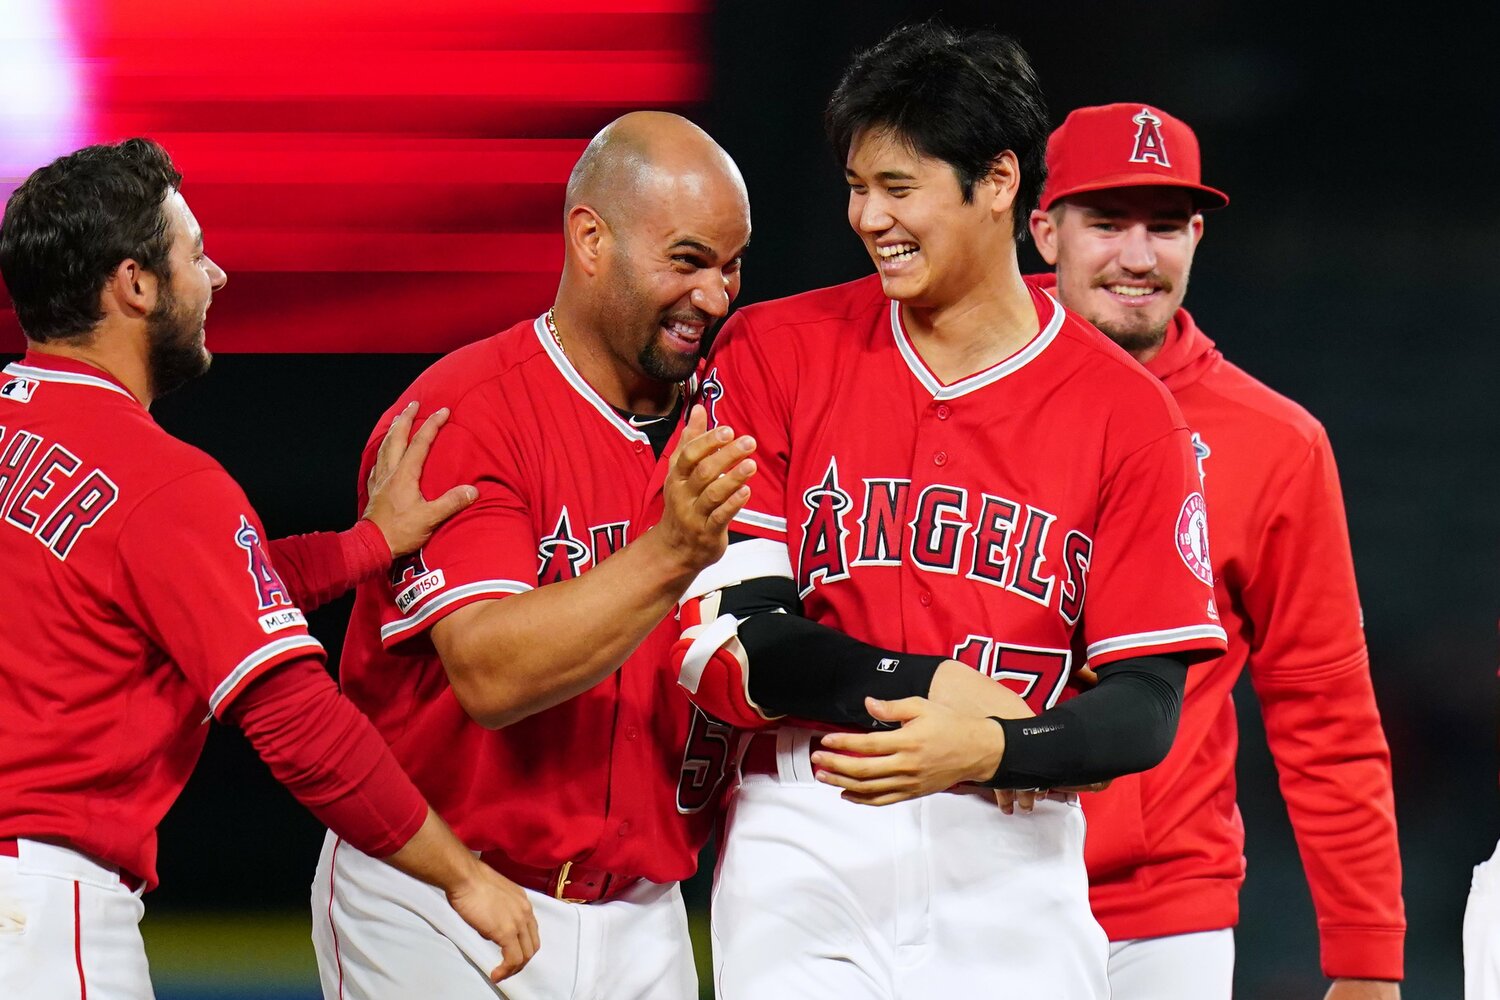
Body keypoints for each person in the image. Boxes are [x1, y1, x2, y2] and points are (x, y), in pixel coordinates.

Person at [670, 23, 1228, 1000]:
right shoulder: (773, 352)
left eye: (899, 186)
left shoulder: (1130, 413)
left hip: (1013, 844)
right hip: (809, 827)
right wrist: (936, 684)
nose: (869, 216)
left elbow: (1146, 707)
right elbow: (726, 641)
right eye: (856, 186)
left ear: (1000, 181)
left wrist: (998, 744)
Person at [0, 138, 538, 999]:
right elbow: (300, 728)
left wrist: (365, 545)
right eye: (195, 255)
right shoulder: (160, 481)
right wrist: (461, 875)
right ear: (135, 285)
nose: (215, 278)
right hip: (35, 914)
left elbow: (192, 589)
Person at [310, 111, 756, 999]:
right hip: (441, 890)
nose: (715, 296)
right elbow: (490, 674)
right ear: (590, 238)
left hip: (647, 907)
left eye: (732, 266)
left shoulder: (731, 404)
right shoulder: (469, 412)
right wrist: (670, 553)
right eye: (688, 260)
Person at [1027, 102, 1404, 1000]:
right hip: (960, 882)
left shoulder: (1276, 442)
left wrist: (1367, 961)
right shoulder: (957, 388)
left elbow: (1326, 715)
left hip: (1164, 913)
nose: (1137, 257)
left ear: (1197, 236)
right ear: (1044, 231)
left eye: (1163, 227)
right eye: (1106, 223)